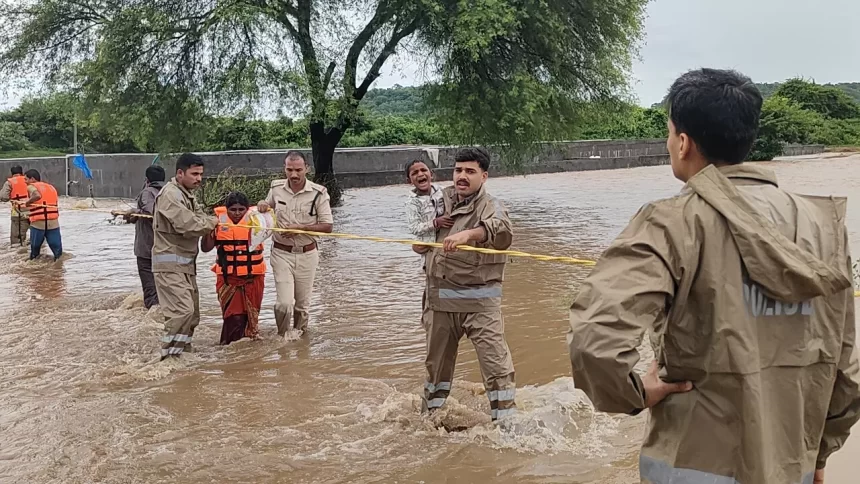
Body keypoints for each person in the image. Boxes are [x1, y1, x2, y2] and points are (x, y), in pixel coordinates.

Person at [567, 68, 860, 484]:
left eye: (670, 133)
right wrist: (819, 451)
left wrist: (635, 394)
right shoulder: (822, 225)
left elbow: (594, 341)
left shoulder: (669, 222)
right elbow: (846, 368)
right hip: (790, 462)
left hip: (690, 464)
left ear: (683, 142)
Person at [414, 147, 517, 422]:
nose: (462, 176)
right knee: (436, 369)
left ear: (484, 176)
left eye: (470, 171)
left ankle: (507, 424)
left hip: (480, 302)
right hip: (439, 301)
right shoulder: (438, 201)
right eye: (458, 170)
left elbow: (501, 229)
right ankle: (429, 422)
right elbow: (416, 234)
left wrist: (469, 234)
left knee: (497, 366)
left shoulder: (492, 205)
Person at [258, 151, 333, 336]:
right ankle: (282, 338)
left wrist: (300, 228)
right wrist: (261, 205)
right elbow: (266, 209)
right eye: (289, 169)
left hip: (308, 254)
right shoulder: (276, 188)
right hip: (281, 253)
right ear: (284, 168)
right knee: (284, 304)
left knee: (301, 307)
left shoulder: (318, 193)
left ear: (306, 169)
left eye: (298, 170)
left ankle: (300, 341)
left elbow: (328, 226)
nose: (294, 175)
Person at [152, 153, 218, 360]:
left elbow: (200, 217)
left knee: (192, 316)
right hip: (169, 266)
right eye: (194, 174)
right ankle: (165, 360)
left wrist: (210, 221)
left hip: (186, 266)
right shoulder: (170, 195)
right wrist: (214, 223)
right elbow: (187, 224)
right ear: (180, 173)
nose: (199, 178)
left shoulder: (187, 195)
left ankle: (181, 357)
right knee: (182, 312)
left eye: (201, 174)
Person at [201, 192, 265, 345]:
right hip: (228, 279)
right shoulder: (218, 223)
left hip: (253, 278)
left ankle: (246, 353)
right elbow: (205, 248)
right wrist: (208, 230)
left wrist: (266, 205)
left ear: (247, 209)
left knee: (249, 318)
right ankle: (227, 348)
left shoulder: (258, 221)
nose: (237, 213)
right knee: (233, 317)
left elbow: (274, 220)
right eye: (233, 209)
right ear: (227, 209)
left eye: (241, 209)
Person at [128, 166, 166, 309]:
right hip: (165, 250)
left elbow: (152, 213)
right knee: (164, 291)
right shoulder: (169, 193)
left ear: (147, 179)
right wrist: (132, 216)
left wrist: (134, 210)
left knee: (151, 293)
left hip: (146, 251)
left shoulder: (147, 192)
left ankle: (152, 319)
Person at [404, 159, 450, 244]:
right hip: (428, 245)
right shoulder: (412, 203)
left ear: (431, 174)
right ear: (409, 181)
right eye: (415, 173)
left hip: (446, 239)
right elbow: (414, 228)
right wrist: (435, 223)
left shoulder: (443, 191)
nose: (420, 174)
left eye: (423, 170)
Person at [22, 169, 62, 261]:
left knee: (35, 252)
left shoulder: (31, 186)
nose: (25, 182)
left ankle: (35, 271)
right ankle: (59, 269)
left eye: (26, 179)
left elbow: (37, 195)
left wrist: (27, 203)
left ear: (32, 179)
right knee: (58, 252)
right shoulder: (51, 187)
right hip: (53, 222)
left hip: (38, 223)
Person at [0, 165, 31, 247]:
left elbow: (3, 197)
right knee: (37, 233)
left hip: (18, 211)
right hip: (34, 211)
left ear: (12, 173)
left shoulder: (9, 182)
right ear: (22, 173)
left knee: (16, 239)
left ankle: (18, 253)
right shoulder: (29, 180)